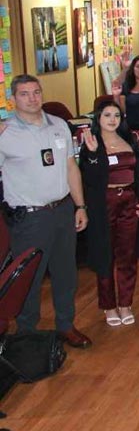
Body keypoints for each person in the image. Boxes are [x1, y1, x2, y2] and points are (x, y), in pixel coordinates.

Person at [0, 75, 90, 348]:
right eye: (24, 94)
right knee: (30, 278)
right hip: (30, 218)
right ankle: (26, 333)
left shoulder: (59, 125)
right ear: (13, 99)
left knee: (66, 274)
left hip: (62, 210)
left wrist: (80, 206)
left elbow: (71, 167)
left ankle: (66, 325)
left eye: (36, 92)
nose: (32, 98)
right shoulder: (5, 132)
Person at [79, 100, 139, 327]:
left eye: (116, 115)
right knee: (105, 256)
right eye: (107, 115)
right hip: (104, 204)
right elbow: (89, 179)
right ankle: (109, 306)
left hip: (129, 201)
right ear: (98, 118)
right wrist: (92, 154)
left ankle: (126, 304)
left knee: (127, 256)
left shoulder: (128, 140)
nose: (112, 120)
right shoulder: (92, 143)